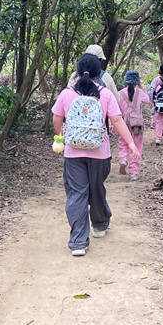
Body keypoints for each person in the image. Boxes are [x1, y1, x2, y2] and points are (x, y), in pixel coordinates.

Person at [52, 53, 138, 257]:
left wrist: (60, 138)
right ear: (99, 71)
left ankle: (78, 242)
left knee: (77, 194)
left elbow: (57, 118)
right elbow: (117, 122)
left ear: (78, 71)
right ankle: (99, 224)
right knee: (97, 188)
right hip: (100, 154)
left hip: (73, 153)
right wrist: (131, 143)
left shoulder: (66, 93)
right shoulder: (105, 94)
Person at [117, 70, 150, 181]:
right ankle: (134, 173)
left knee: (123, 143)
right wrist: (141, 87)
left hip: (124, 123)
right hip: (137, 125)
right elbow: (148, 100)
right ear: (137, 81)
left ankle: (123, 159)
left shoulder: (120, 93)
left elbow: (117, 109)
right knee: (136, 147)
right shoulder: (140, 92)